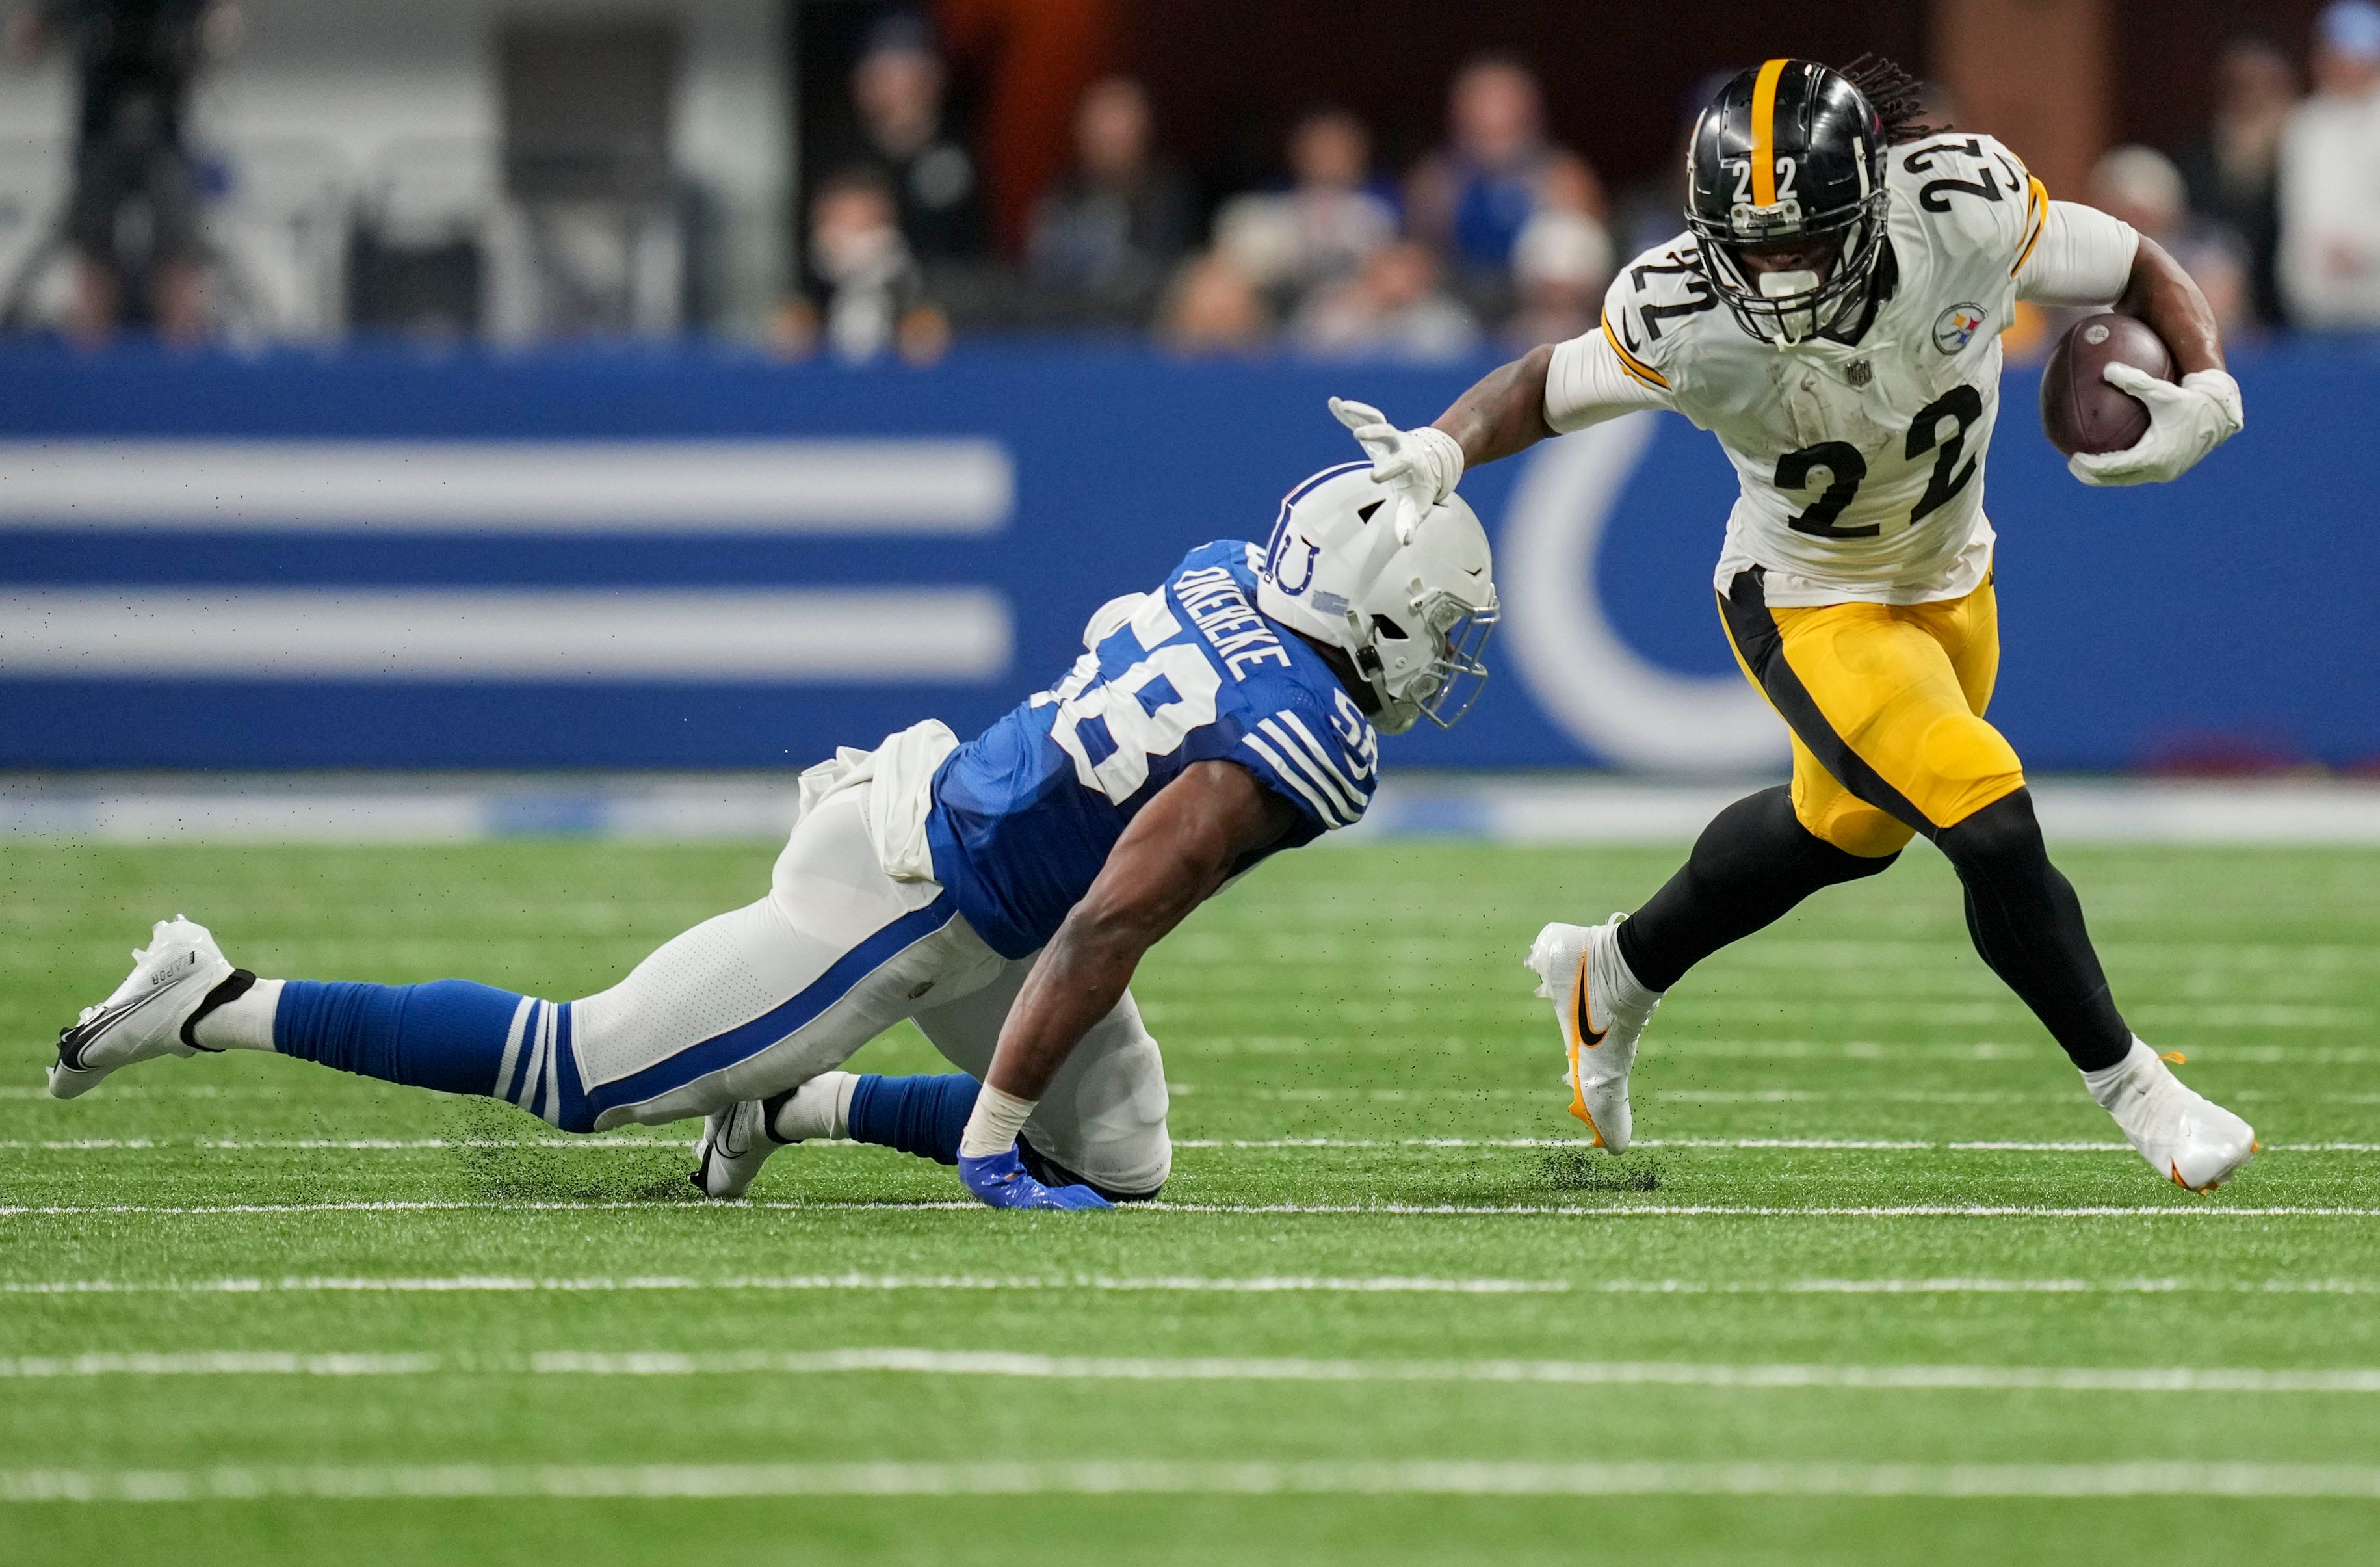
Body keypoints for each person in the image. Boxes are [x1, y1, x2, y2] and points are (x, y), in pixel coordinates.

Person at [46, 469, 1499, 1213]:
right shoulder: (1309, 734)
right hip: (912, 886)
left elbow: (1096, 900)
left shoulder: (1229, 573)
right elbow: (1116, 915)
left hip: (989, 870)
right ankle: (216, 996)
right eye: (1435, 622)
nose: (1441, 654)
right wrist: (992, 1127)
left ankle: (793, 1107)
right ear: (1372, 602)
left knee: (1118, 1160)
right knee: (583, 1069)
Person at [1328, 58, 2255, 1192]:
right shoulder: (1682, 312)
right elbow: (1539, 384)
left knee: (1845, 833)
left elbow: (2137, 263)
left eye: (1804, 240)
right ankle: (2141, 1096)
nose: (1773, 271)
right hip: (1806, 598)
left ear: (1871, 205)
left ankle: (1609, 974)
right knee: (1990, 820)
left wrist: (2209, 385)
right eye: (1750, 244)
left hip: (1955, 579)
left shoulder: (1961, 210)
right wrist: (1443, 446)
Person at [5, 0, 233, 343]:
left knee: (178, 256)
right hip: (100, 133)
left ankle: (184, 370)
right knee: (95, 257)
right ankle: (90, 369)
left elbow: (221, 28)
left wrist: (209, 31)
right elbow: (28, 40)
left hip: (165, 133)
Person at [1405, 55, 1602, 282]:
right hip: (1456, 293)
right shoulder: (1434, 176)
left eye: (1502, 100)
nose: (1492, 114)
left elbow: (1585, 255)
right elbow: (1418, 246)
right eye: (1480, 100)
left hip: (1534, 298)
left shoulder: (1564, 174)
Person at [1025, 74, 1194, 325]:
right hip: (1065, 334)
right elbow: (1038, 275)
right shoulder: (1061, 194)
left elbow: (1173, 279)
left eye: (1119, 126)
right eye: (1101, 126)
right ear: (1081, 131)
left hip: (1143, 338)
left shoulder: (1168, 196)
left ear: (1143, 130)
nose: (1109, 137)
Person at [830, 10, 985, 263]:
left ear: (933, 78)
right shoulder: (841, 158)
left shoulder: (958, 157)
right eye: (881, 75)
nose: (894, 87)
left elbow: (976, 254)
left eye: (905, 74)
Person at [1212, 108, 1399, 309]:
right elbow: (1236, 269)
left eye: (1339, 147)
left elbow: (1391, 273)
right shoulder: (1261, 212)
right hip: (1270, 313)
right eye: (1321, 146)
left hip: (1356, 316)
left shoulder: (1376, 214)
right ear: (1298, 152)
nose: (1329, 156)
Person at [2177, 36, 2298, 330]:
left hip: (2291, 314)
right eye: (2240, 87)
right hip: (2227, 318)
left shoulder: (2306, 159)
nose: (2250, 98)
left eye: (2263, 86)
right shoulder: (2198, 162)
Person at [775, 167, 947, 364]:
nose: (848, 240)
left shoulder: (914, 281)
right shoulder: (808, 284)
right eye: (837, 223)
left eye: (861, 224)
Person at [2278, 1, 2380, 328]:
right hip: (2315, 307)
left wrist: (2362, 248)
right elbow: (2299, 209)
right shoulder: (2304, 125)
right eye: (2338, 59)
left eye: (2357, 61)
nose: (2347, 70)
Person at [2087, 145, 2250, 341]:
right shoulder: (2088, 256)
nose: (2132, 225)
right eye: (2120, 212)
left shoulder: (2208, 251)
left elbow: (2213, 316)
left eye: (2141, 214)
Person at [1290, 239, 1480, 362]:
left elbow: (1457, 363)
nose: (1397, 282)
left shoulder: (1445, 318)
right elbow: (1309, 355)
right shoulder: (1338, 308)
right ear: (1372, 272)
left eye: (1408, 273)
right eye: (1390, 272)